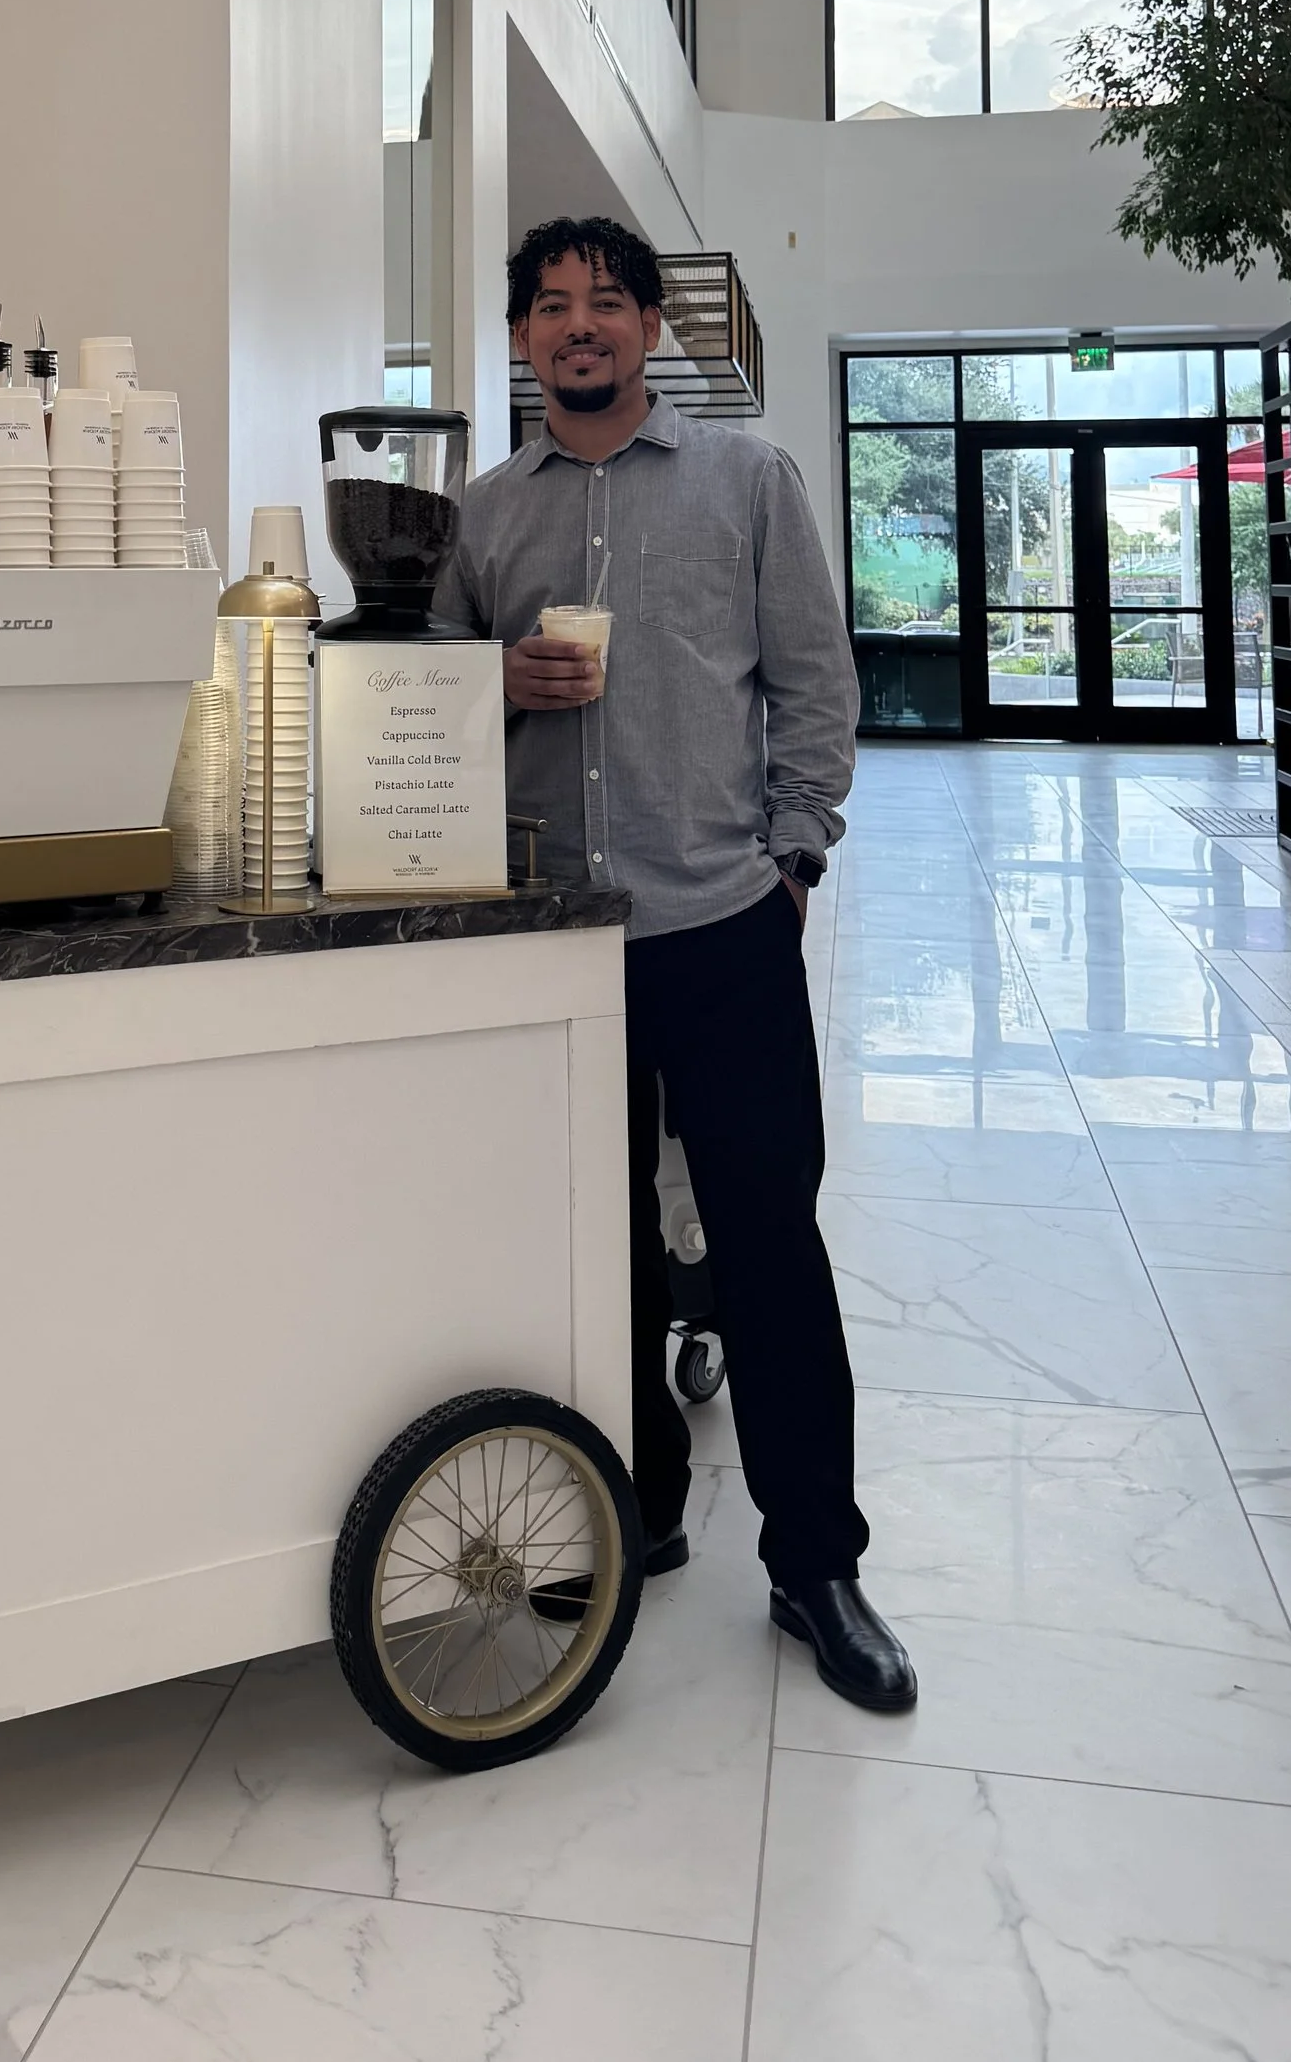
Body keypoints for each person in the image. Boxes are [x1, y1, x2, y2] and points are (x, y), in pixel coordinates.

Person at [433, 213, 915, 1713]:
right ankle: (634, 1504)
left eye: (606, 304)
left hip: (717, 923)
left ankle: (816, 1565)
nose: (579, 326)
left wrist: (795, 861)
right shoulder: (483, 514)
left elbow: (815, 686)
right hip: (547, 941)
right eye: (551, 307)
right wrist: (487, 678)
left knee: (770, 1245)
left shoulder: (745, 480)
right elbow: (422, 700)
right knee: (591, 1250)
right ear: (520, 339)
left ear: (652, 329)